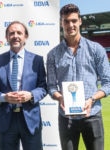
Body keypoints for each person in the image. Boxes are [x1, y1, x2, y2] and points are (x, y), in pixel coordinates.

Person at [46, 4, 110, 150]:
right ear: (61, 23)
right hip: (66, 118)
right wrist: (60, 97)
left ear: (80, 21)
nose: (71, 25)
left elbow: (108, 83)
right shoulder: (53, 54)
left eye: (74, 20)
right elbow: (50, 86)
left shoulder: (96, 49)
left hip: (92, 114)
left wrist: (92, 99)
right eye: (66, 21)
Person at [0, 21, 47, 150]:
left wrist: (31, 95)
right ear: (7, 37)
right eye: (12, 33)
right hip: (6, 121)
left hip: (30, 119)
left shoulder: (37, 60)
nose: (15, 36)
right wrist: (4, 97)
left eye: (19, 33)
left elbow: (43, 87)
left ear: (25, 36)